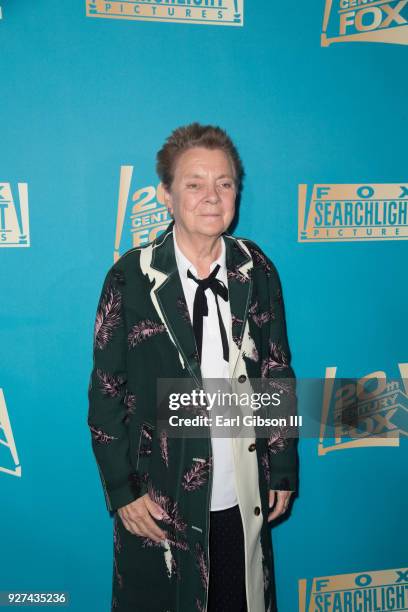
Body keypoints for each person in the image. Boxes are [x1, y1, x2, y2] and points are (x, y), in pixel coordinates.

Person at [87, 122, 298, 612]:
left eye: (224, 183)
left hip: (242, 495)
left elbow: (276, 370)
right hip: (162, 504)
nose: (211, 196)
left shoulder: (256, 268)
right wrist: (123, 492)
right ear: (166, 194)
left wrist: (282, 467)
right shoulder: (131, 277)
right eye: (194, 184)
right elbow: (105, 394)